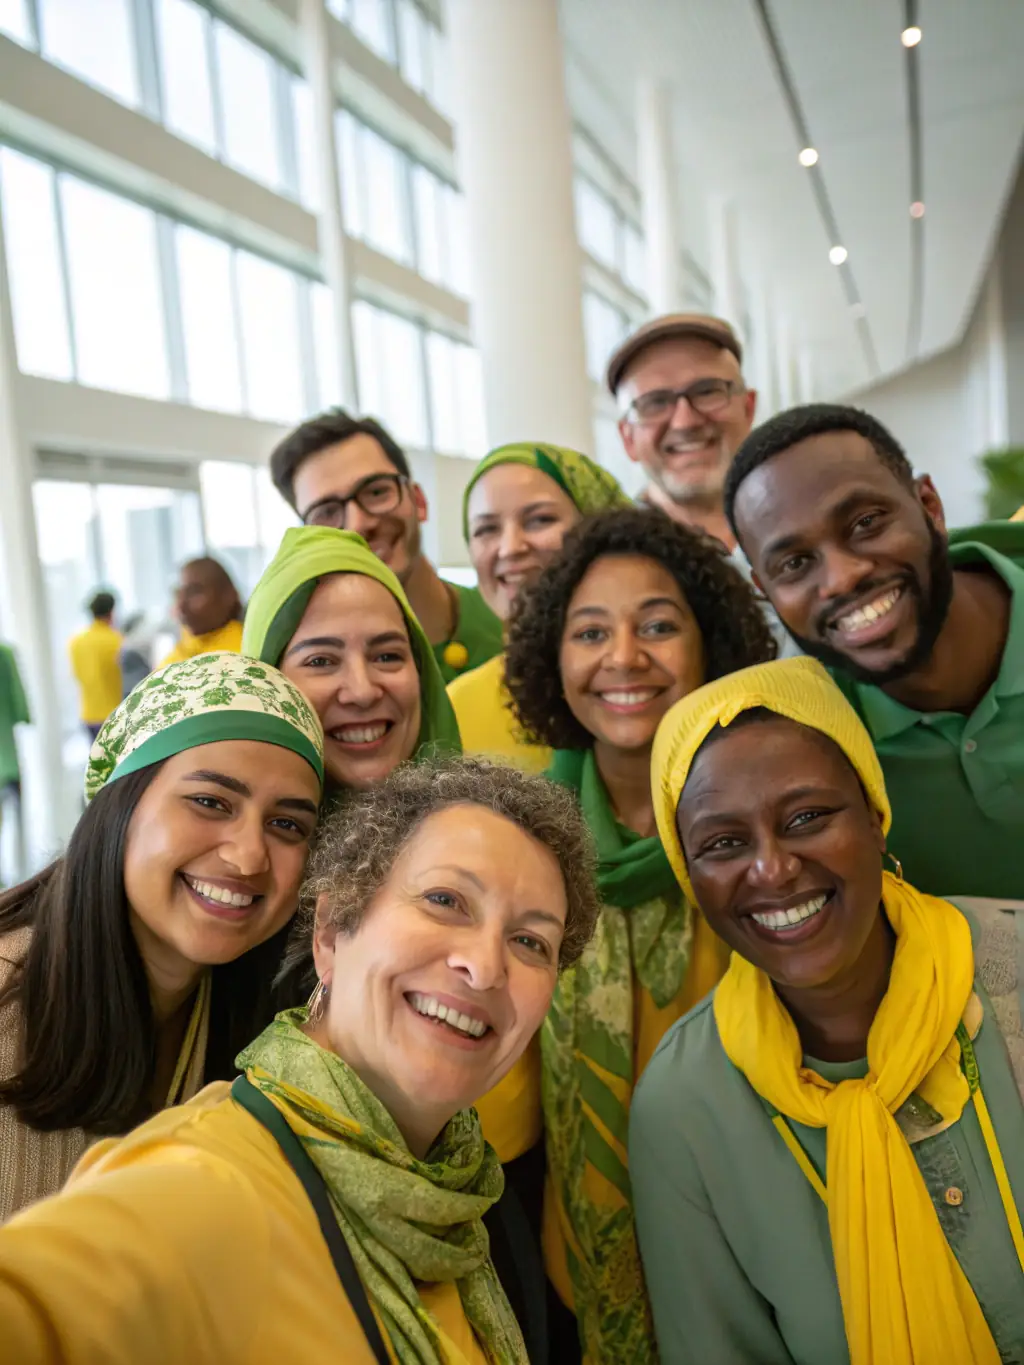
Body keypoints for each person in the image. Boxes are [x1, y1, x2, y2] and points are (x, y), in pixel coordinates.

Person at [0, 756, 603, 1365]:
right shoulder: (214, 1185)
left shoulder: (457, 1207)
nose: (486, 966)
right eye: (446, 900)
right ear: (331, 932)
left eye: (531, 941)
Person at [631, 655, 1024, 1365]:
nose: (774, 868)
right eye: (723, 843)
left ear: (876, 814)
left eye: (808, 816)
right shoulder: (684, 1105)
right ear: (691, 878)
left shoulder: (1013, 966)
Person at [504, 508, 777, 1362]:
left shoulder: (770, 825)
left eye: (658, 625)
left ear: (711, 646)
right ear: (555, 657)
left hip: (770, 1260)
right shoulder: (519, 842)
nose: (624, 657)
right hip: (578, 1273)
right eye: (590, 631)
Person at [0, 652, 323, 1221]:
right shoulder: (9, 1006)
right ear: (119, 805)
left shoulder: (273, 1022)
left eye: (286, 824)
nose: (248, 857)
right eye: (209, 802)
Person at [723, 402, 1024, 898]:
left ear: (929, 506)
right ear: (765, 589)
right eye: (795, 563)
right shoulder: (809, 751)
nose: (842, 577)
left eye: (866, 523)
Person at [269, 409, 503, 684]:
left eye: (377, 491)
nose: (358, 524)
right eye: (327, 512)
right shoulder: (314, 683)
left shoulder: (511, 624)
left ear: (419, 502)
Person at [242, 527, 460, 798]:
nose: (363, 692)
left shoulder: (484, 834)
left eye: (387, 656)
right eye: (321, 661)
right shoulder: (234, 840)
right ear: (265, 684)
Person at [451, 443, 630, 773]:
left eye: (539, 520)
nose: (511, 548)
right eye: (486, 529)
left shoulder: (640, 677)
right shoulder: (455, 706)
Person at [158, 557, 244, 668]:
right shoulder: (184, 646)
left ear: (228, 596)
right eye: (178, 593)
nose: (180, 606)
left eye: (194, 592)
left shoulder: (240, 655)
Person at [68, 590, 122, 740]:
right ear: (112, 612)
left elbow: (77, 674)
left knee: (97, 761)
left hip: (88, 714)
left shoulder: (76, 641)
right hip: (113, 715)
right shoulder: (116, 640)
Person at [0, 642, 29, 887]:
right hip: (6, 761)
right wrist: (23, 713)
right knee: (16, 819)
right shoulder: (4, 652)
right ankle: (18, 878)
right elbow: (19, 702)